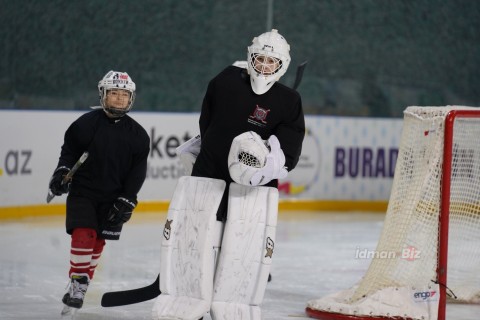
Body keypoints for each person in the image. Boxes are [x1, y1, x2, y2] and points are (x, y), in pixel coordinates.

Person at [154, 29, 304, 320]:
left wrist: (262, 168)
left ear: (281, 66)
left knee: (240, 245)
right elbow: (207, 122)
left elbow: (288, 151)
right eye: (259, 59)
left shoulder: (289, 101)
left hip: (251, 189)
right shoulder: (225, 82)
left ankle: (230, 304)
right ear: (250, 58)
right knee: (196, 239)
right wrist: (209, 150)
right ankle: (191, 301)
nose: (263, 67)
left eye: (271, 62)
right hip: (209, 172)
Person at [48, 70, 150, 314]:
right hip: (83, 192)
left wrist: (128, 199)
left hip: (113, 197)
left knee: (98, 242)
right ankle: (78, 284)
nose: (118, 99)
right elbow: (69, 154)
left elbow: (137, 172)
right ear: (103, 94)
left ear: (131, 98)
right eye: (113, 93)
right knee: (83, 234)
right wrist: (61, 173)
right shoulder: (84, 124)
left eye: (123, 95)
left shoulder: (139, 136)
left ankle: (79, 283)